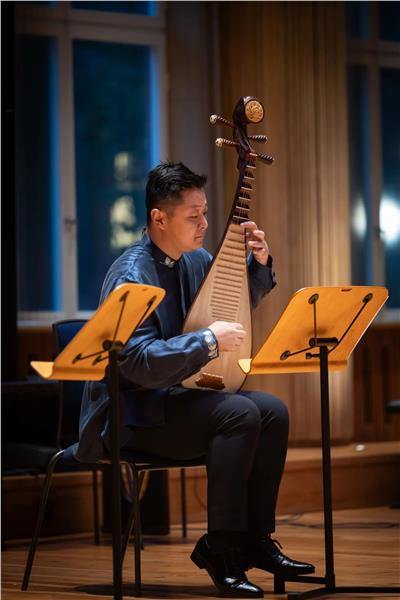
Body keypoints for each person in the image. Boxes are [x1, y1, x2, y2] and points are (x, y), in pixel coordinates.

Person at [76, 162, 315, 597]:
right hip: (132, 414)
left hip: (175, 401)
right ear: (159, 218)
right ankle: (219, 548)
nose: (205, 224)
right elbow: (135, 362)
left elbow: (229, 309)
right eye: (194, 216)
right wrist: (206, 342)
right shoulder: (131, 274)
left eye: (206, 213)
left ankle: (254, 539)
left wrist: (258, 264)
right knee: (240, 413)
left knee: (273, 411)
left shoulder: (195, 260)